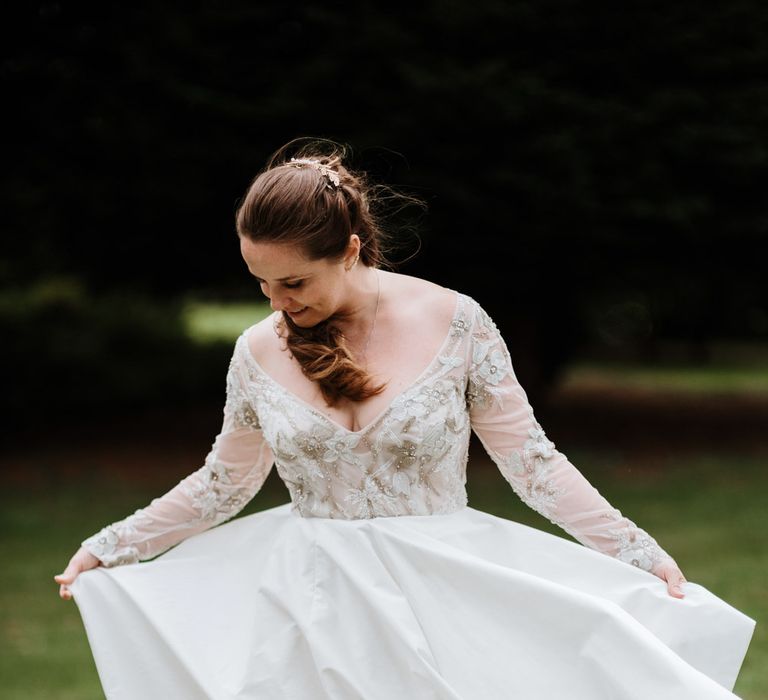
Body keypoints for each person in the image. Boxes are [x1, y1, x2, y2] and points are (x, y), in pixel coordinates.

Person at [56, 139, 754, 699]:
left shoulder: (458, 322)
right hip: (310, 609)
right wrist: (114, 544)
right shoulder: (257, 351)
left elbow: (533, 465)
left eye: (293, 283)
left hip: (447, 592)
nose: (275, 303)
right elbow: (223, 483)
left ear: (352, 247)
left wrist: (636, 551)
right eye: (260, 283)